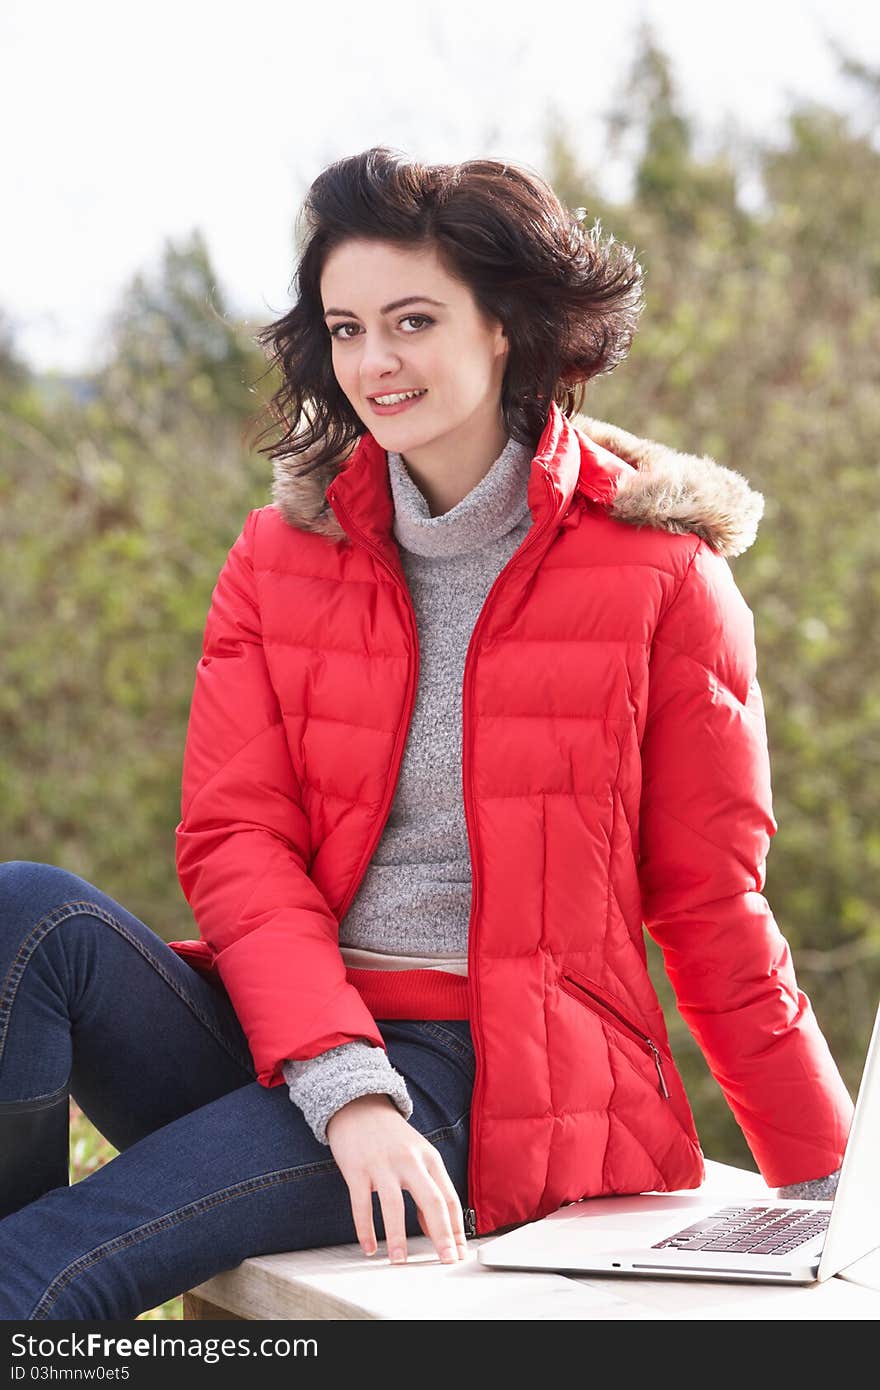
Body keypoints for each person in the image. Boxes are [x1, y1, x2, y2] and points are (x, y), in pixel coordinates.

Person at [0, 146, 853, 1320]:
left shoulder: (659, 576)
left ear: (504, 323)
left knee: (37, 1271)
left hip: (484, 1084)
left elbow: (708, 900)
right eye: (346, 329)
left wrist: (825, 1184)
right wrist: (343, 1083)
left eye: (411, 320)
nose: (374, 362)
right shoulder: (280, 558)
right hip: (296, 1047)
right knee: (27, 914)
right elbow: (238, 840)